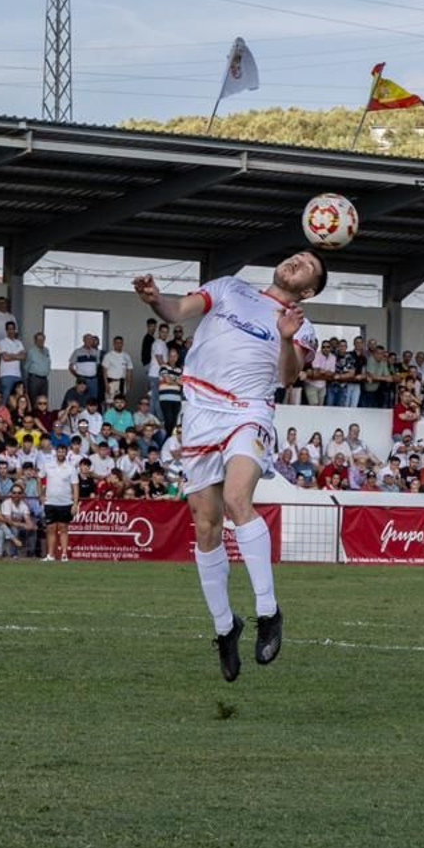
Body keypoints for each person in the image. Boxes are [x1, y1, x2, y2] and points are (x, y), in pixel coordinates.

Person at [132, 249, 325, 682]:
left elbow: (288, 377)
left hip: (249, 410)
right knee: (205, 525)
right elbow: (177, 311)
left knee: (238, 500)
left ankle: (268, 611)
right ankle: (224, 627)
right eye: (297, 256)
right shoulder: (228, 287)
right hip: (200, 410)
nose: (297, 262)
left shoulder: (302, 324)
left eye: (308, 266)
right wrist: (154, 299)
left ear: (309, 290)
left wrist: (286, 338)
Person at [40, 442, 79, 561]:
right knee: (51, 529)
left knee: (63, 528)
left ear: (66, 453)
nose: (61, 454)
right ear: (56, 452)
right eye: (59, 451)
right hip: (50, 502)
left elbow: (75, 486)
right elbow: (39, 478)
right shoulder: (48, 465)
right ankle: (50, 555)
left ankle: (64, 554)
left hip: (65, 503)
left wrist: (75, 503)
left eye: (63, 452)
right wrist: (41, 494)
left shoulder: (71, 468)